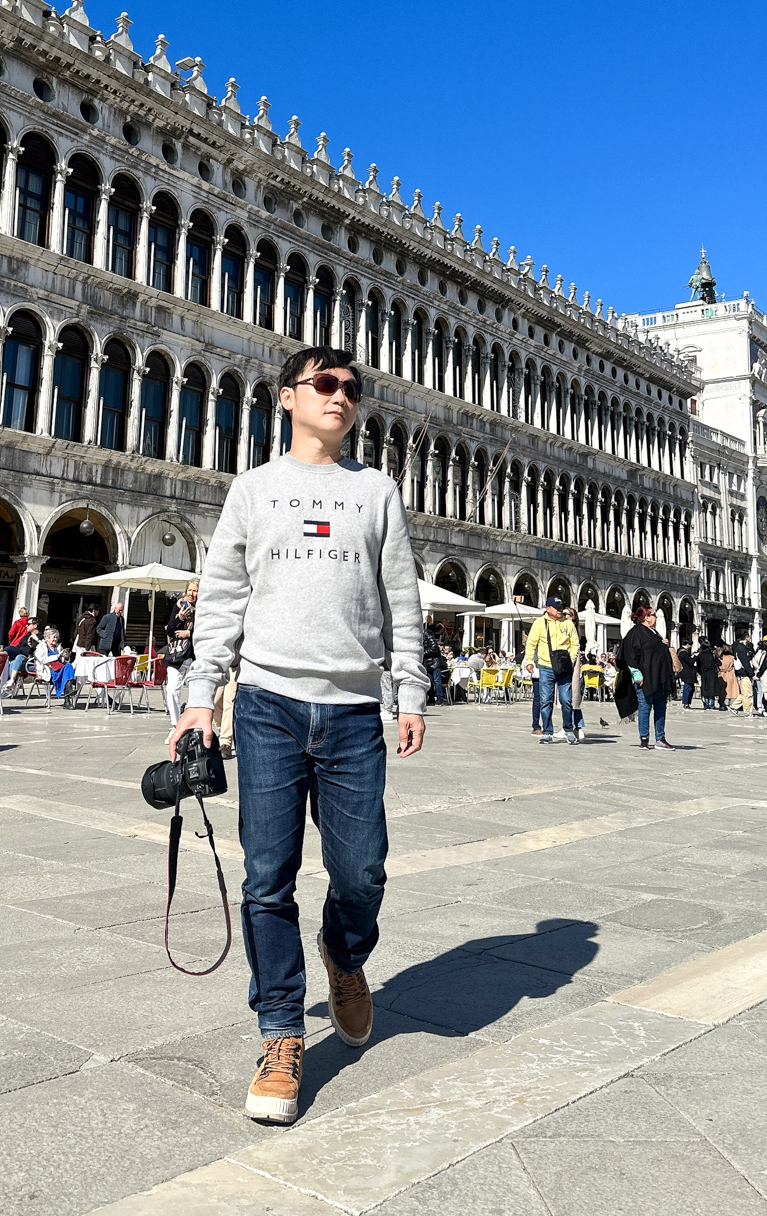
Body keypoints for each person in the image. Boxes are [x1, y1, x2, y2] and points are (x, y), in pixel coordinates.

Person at [169, 345, 427, 1126]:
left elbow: (401, 600)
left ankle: (344, 957)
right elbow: (221, 598)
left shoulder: (376, 490)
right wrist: (201, 695)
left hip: (353, 711)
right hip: (269, 705)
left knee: (363, 874)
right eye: (325, 385)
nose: (341, 396)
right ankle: (281, 1030)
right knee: (266, 879)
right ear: (288, 398)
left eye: (352, 388)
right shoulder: (253, 490)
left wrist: (408, 690)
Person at [617, 605, 675, 749]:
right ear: (646, 617)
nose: (656, 618)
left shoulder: (653, 632)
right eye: (653, 615)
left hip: (658, 677)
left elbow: (653, 649)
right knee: (645, 707)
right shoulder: (635, 632)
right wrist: (636, 673)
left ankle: (660, 738)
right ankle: (644, 738)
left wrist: (663, 644)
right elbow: (630, 655)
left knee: (661, 707)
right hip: (645, 677)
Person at [525, 596, 580, 745]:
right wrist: (529, 661)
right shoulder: (540, 623)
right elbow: (531, 643)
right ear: (548, 608)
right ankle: (547, 732)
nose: (560, 610)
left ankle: (568, 729)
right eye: (557, 608)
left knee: (566, 700)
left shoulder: (568, 624)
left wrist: (572, 659)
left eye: (561, 607)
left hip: (564, 667)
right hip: (545, 666)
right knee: (545, 701)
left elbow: (575, 643)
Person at [164, 580, 198, 726]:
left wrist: (189, 633)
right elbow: (170, 630)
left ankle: (193, 724)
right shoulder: (179, 606)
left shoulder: (204, 609)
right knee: (171, 690)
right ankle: (175, 725)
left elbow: (207, 630)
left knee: (196, 693)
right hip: (177, 655)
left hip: (195, 655)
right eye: (189, 590)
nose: (191, 593)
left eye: (195, 590)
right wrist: (180, 618)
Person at [36, 626, 75, 704]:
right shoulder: (41, 647)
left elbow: (63, 661)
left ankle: (68, 692)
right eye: (53, 637)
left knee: (68, 666)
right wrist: (57, 656)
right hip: (49, 669)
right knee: (66, 673)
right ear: (47, 638)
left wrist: (66, 657)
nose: (55, 639)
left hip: (60, 668)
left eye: (57, 638)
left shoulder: (58, 647)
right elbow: (43, 660)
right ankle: (67, 698)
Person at [422, 620, 446, 706]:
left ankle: (440, 698)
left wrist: (424, 653)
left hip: (434, 661)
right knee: (431, 681)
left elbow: (434, 647)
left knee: (436, 681)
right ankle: (431, 698)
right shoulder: (426, 634)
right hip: (429, 662)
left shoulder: (427, 634)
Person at [695, 637, 721, 709]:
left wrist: (700, 672)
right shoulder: (712, 655)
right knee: (712, 687)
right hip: (712, 672)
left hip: (704, 672)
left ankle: (706, 704)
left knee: (705, 688)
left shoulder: (700, 655)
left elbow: (698, 665)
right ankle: (712, 704)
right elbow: (719, 663)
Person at [720, 646, 740, 712]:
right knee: (731, 689)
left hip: (722, 674)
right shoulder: (732, 657)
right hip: (731, 673)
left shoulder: (721, 658)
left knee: (723, 689)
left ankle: (724, 703)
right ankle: (731, 703)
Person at [677, 639, 696, 708]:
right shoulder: (683, 653)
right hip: (687, 672)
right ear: (687, 644)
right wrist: (695, 657)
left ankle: (687, 703)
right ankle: (686, 703)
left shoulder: (680, 651)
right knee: (688, 688)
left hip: (685, 672)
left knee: (691, 687)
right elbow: (690, 662)